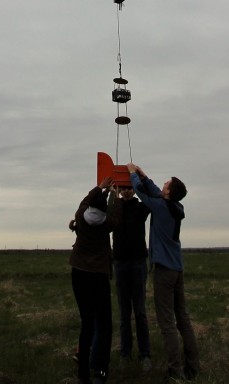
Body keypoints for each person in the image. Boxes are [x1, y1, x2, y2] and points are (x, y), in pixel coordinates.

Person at [127, 163, 200, 382]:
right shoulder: (177, 207)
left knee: (167, 322)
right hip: (178, 269)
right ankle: (193, 367)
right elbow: (157, 192)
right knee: (183, 319)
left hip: (165, 271)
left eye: (167, 183)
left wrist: (132, 175)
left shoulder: (160, 207)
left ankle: (175, 371)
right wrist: (143, 174)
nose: (164, 184)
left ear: (169, 191)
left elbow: (141, 193)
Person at [69, 177, 121, 384]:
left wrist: (99, 188)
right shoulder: (107, 223)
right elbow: (117, 217)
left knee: (87, 323)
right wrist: (115, 196)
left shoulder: (81, 216)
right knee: (105, 324)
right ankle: (100, 371)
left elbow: (84, 202)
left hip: (79, 273)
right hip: (98, 277)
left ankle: (82, 373)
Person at [112, 186, 152, 371]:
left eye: (130, 188)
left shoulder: (141, 207)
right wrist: (113, 193)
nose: (127, 192)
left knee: (140, 312)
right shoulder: (115, 207)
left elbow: (153, 197)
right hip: (120, 264)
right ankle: (125, 354)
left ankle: (145, 355)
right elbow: (106, 210)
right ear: (119, 191)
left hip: (137, 263)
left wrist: (139, 181)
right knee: (124, 314)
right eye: (123, 189)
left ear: (134, 191)